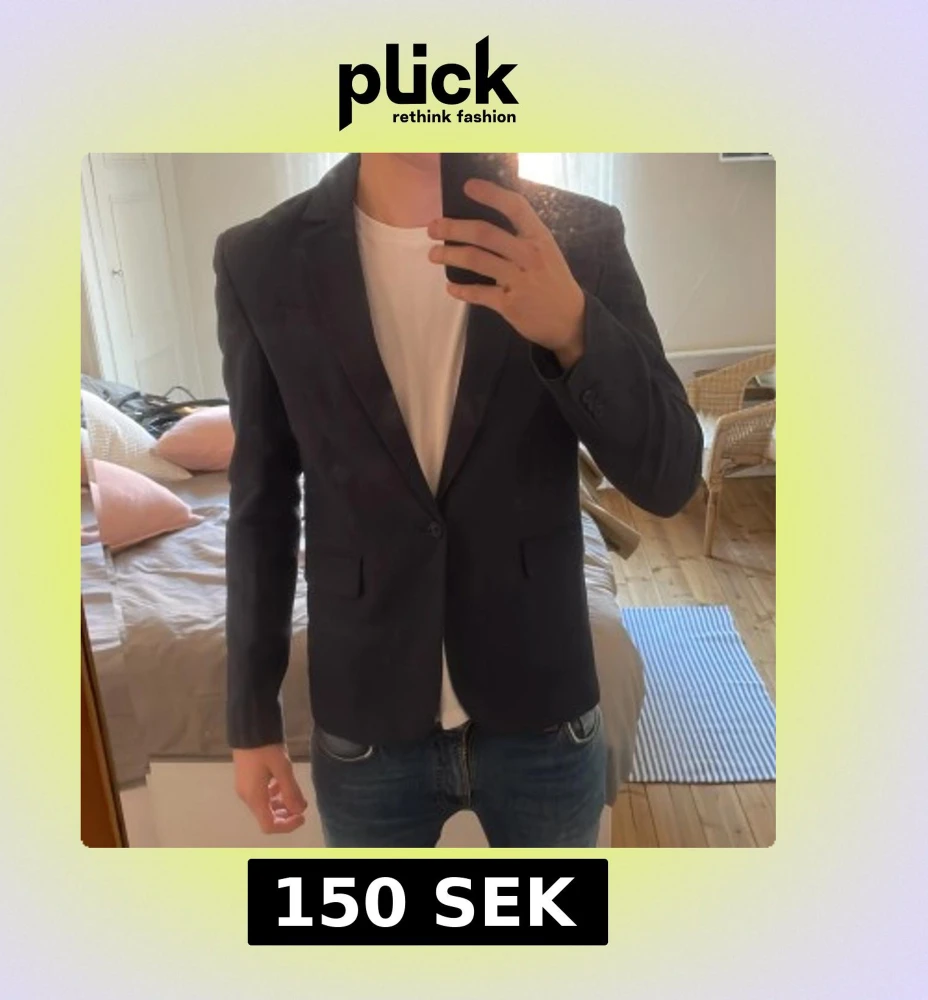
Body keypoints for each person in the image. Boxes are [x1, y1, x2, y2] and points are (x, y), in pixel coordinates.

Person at [215, 153, 702, 847]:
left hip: (543, 703)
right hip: (366, 714)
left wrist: (573, 328)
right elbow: (260, 505)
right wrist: (250, 716)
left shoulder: (576, 237)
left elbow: (670, 477)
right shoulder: (260, 258)